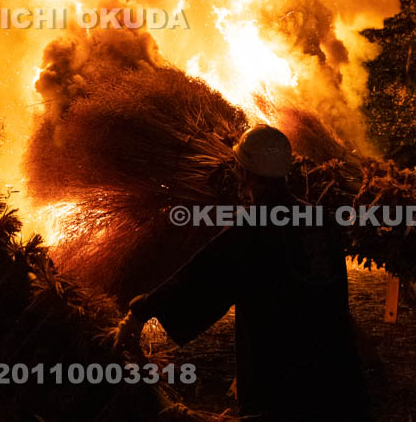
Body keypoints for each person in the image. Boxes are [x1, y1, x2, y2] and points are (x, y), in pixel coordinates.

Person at [114, 125, 369, 421]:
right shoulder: (318, 219)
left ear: (246, 173)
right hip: (338, 378)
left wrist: (140, 311)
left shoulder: (252, 230)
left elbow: (201, 276)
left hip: (284, 386)